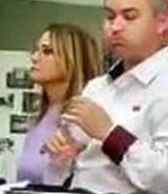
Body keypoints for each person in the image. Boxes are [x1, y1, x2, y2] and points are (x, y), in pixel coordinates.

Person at [46, 0, 168, 194]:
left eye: (129, 17)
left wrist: (110, 135)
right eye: (110, 17)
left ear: (161, 23)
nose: (115, 27)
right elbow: (60, 172)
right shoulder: (97, 88)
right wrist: (62, 153)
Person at [16, 23, 103, 185]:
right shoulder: (40, 118)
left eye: (47, 51)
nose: (34, 57)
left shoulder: (83, 119)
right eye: (36, 50)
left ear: (72, 60)